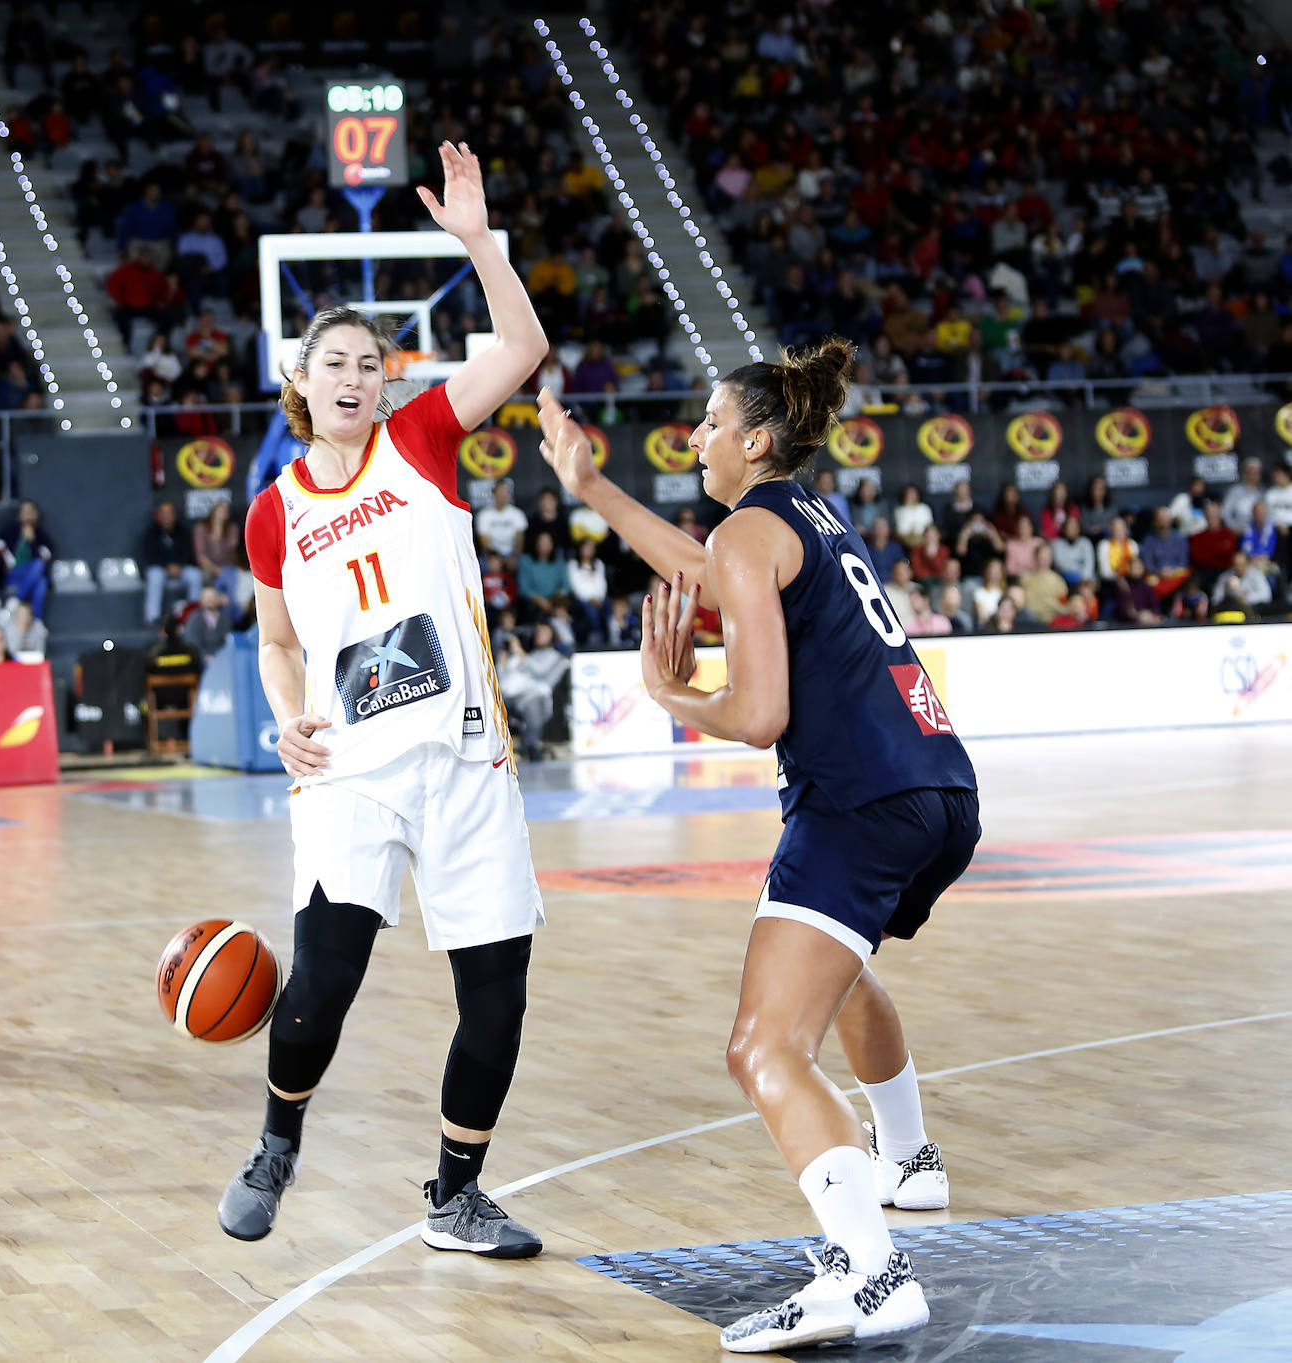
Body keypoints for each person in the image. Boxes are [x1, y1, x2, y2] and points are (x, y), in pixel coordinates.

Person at [537, 338, 978, 1351]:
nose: (695, 435)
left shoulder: (749, 529)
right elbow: (706, 569)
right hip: (941, 786)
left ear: (757, 439)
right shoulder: (806, 517)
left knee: (763, 1045)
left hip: (856, 800)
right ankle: (908, 1161)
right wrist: (593, 485)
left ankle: (872, 1273)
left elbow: (763, 711)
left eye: (709, 421)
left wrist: (671, 695)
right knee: (838, 971)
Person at [221, 143, 549, 1260]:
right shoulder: (272, 513)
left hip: (465, 761)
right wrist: (283, 717)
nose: (358, 376)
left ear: (389, 382)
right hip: (351, 771)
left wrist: (477, 241)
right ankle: (277, 1143)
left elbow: (523, 345)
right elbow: (275, 641)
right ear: (301, 380)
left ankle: (456, 1195)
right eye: (337, 362)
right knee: (324, 977)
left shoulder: (421, 441)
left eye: (374, 361)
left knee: (497, 993)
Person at [497, 620, 570, 761]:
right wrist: (501, 664)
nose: (540, 635)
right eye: (538, 632)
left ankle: (531, 746)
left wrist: (522, 654)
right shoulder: (527, 655)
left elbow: (540, 672)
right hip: (513, 695)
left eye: (544, 632)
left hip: (538, 697)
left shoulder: (555, 656)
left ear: (552, 636)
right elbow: (505, 679)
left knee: (534, 702)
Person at [142, 500, 204, 625]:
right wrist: (167, 566)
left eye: (169, 513)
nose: (167, 517)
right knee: (154, 576)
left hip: (181, 567)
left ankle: (192, 615)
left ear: (174, 515)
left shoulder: (183, 531)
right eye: (163, 514)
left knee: (195, 575)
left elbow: (189, 552)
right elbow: (150, 555)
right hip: (161, 568)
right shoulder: (151, 532)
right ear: (158, 516)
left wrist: (179, 565)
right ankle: (153, 617)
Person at [474, 478, 528, 563]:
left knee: (524, 562)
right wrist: (495, 558)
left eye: (505, 492)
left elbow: (519, 541)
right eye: (500, 492)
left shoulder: (518, 514)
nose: (502, 495)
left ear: (510, 495)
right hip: (491, 557)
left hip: (513, 555)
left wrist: (514, 557)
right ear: (493, 494)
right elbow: (484, 542)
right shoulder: (484, 515)